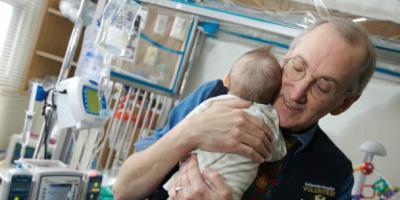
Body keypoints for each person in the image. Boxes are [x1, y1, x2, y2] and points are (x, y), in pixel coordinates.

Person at [113, 17, 376, 200]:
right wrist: (189, 132)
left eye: (323, 86)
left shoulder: (335, 174)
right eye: (297, 67)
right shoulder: (213, 97)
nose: (297, 93)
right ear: (285, 60)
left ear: (343, 103)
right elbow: (124, 189)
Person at [163, 46, 287, 200]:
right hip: (230, 188)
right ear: (274, 96)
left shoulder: (215, 103)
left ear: (226, 79)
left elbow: (189, 125)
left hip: (190, 175)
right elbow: (277, 153)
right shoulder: (269, 118)